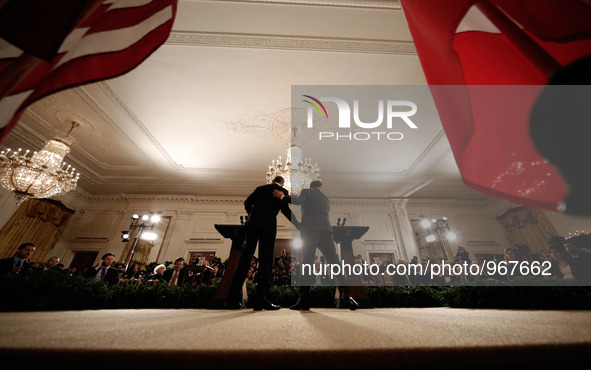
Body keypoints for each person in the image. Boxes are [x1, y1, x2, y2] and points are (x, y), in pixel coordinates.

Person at [274, 180, 358, 311]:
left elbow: (298, 200)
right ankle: (347, 297)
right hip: (326, 231)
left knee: (307, 262)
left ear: (311, 187)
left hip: (310, 231)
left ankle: (304, 301)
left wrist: (283, 197)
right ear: (321, 187)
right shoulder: (326, 199)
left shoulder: (307, 192)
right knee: (335, 262)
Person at [226, 176, 294, 311]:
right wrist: (298, 224)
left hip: (252, 225)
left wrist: (253, 215)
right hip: (268, 226)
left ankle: (232, 300)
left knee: (245, 259)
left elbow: (247, 203)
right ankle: (260, 300)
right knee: (265, 262)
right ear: (282, 183)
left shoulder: (260, 189)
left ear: (273, 180)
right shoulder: (281, 191)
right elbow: (285, 210)